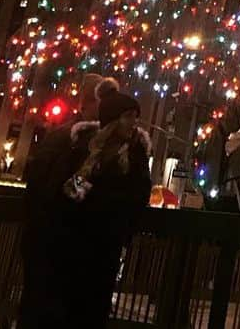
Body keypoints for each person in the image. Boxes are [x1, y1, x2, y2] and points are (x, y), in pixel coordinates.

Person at [19, 90, 151, 328]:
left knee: (91, 308)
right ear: (113, 119)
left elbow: (138, 194)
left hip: (104, 245)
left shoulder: (135, 153)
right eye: (129, 116)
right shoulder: (85, 148)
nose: (133, 123)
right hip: (73, 242)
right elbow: (65, 188)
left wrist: (121, 225)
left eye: (135, 116)